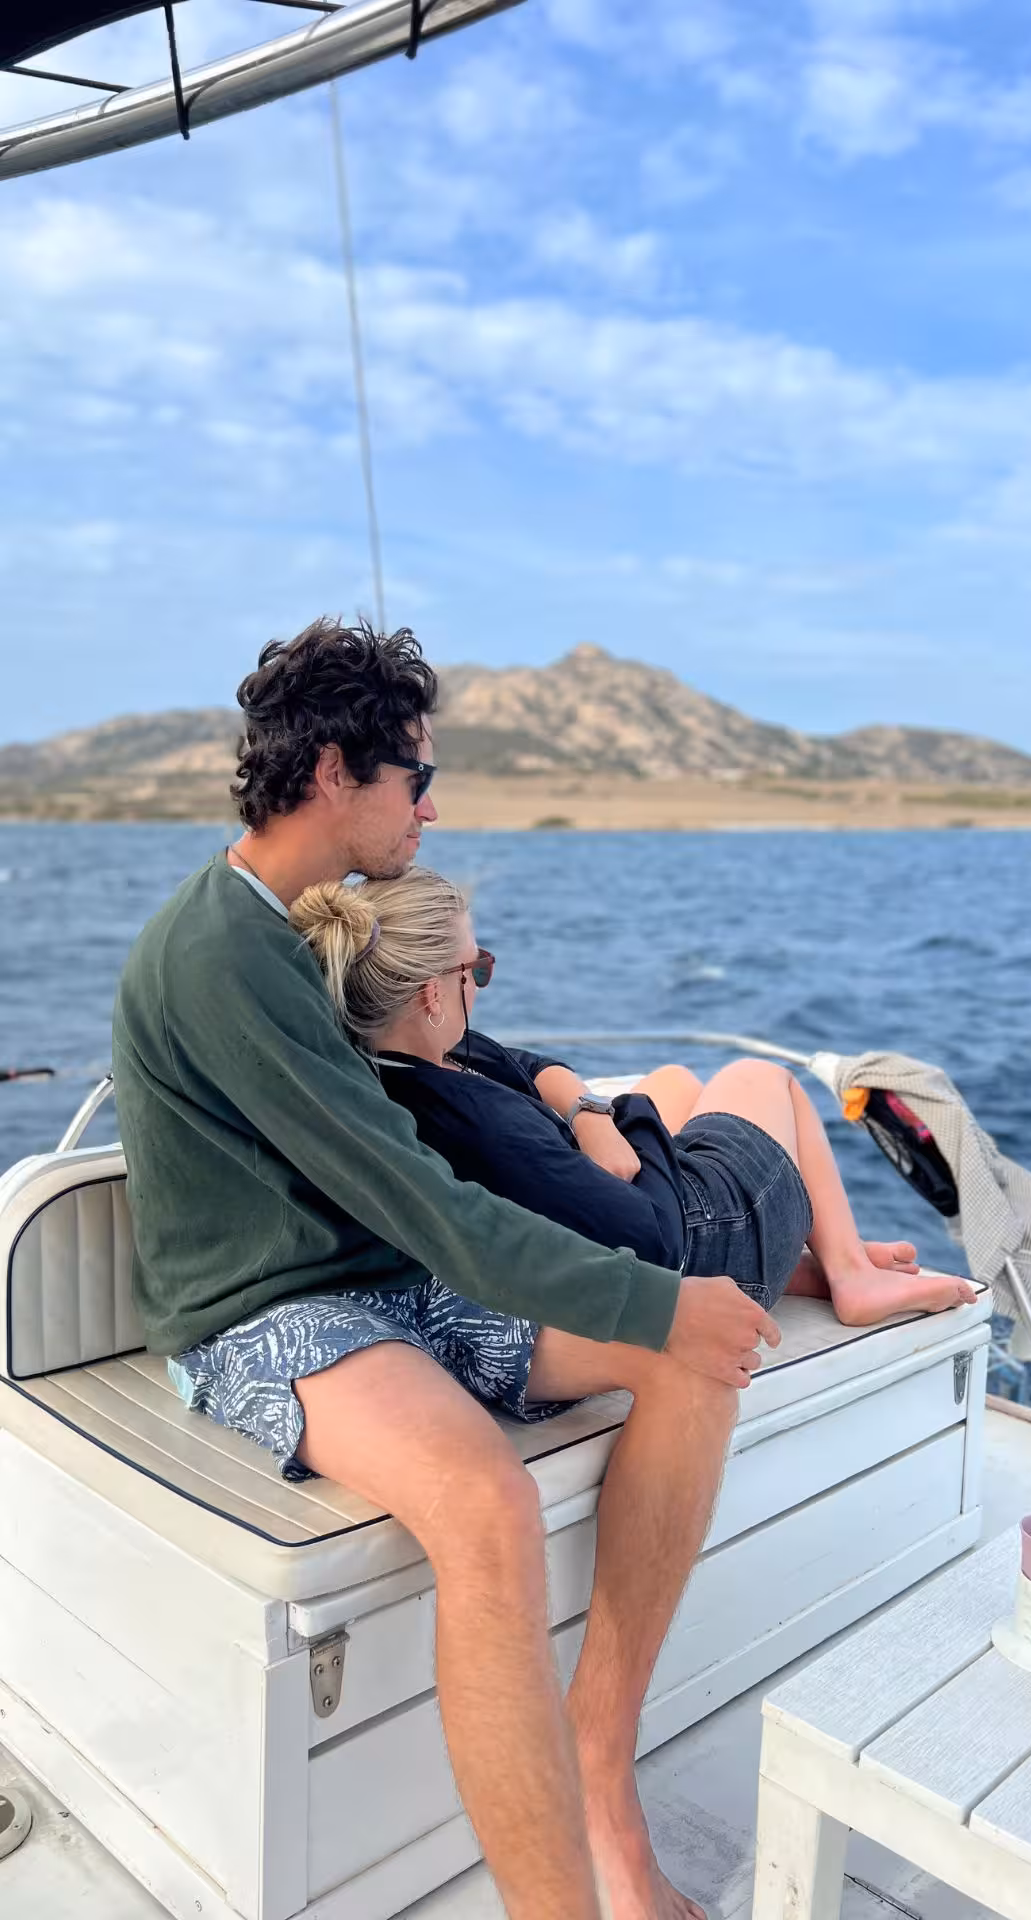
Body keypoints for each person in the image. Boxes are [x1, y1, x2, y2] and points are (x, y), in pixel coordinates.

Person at [112, 616, 780, 1920]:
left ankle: (601, 1765)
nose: (433, 802)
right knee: (488, 1511)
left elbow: (429, 1082)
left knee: (699, 1365)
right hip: (267, 1310)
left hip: (381, 1278)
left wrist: (545, 1085)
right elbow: (420, 1196)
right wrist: (654, 1291)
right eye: (413, 776)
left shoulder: (294, 926)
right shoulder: (216, 954)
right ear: (329, 778)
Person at [288, 870, 979, 1329]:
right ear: (433, 991)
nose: (484, 979)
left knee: (675, 1078)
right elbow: (652, 1239)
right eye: (479, 969)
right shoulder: (482, 1125)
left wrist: (589, 1116)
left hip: (614, 1193)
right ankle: (851, 1273)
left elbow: (529, 1065)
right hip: (695, 1253)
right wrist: (620, 1127)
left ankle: (819, 1256)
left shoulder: (411, 1057)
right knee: (761, 1079)